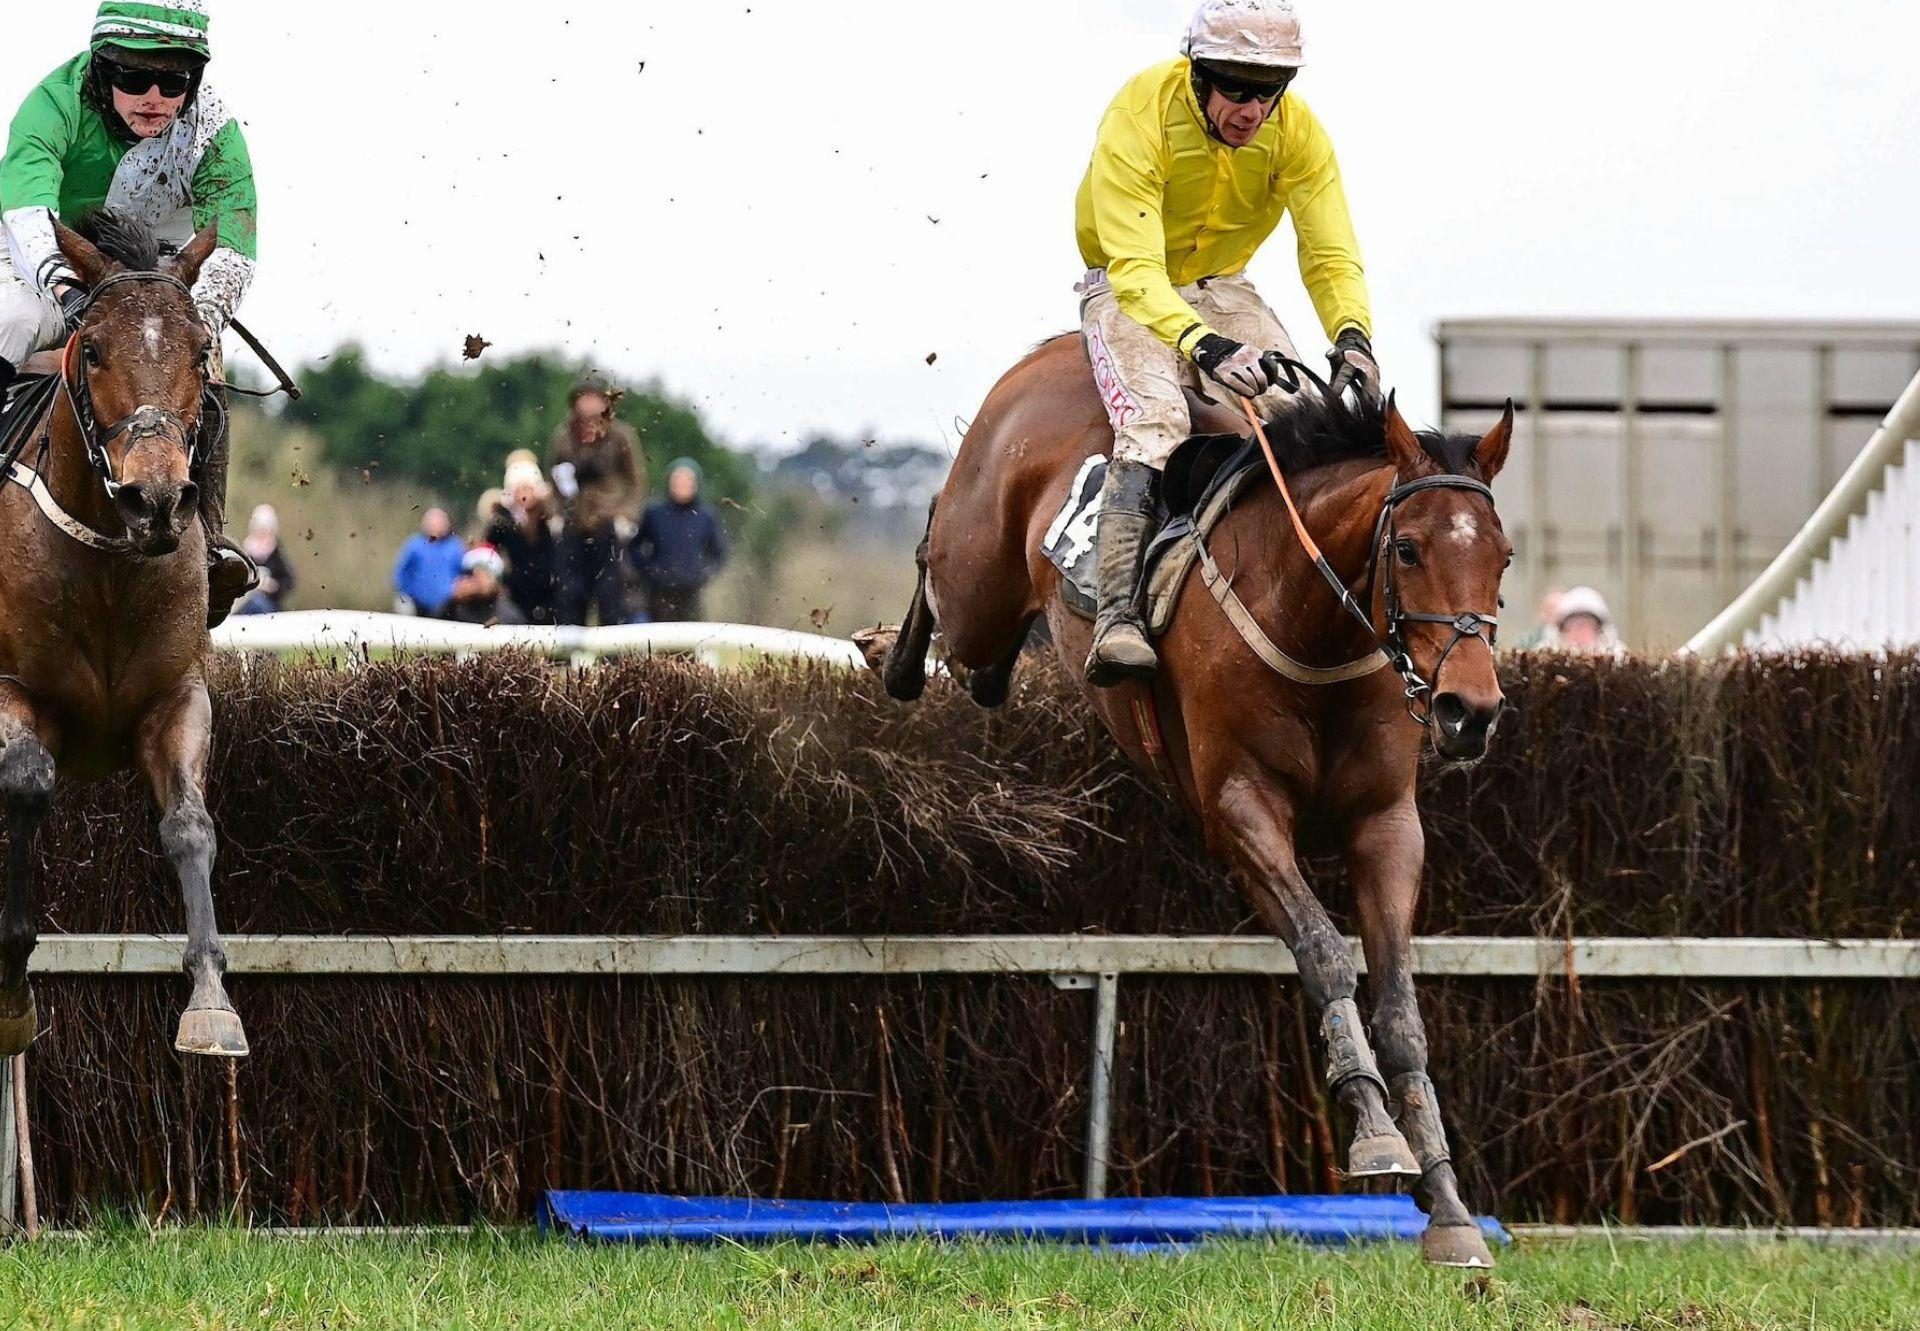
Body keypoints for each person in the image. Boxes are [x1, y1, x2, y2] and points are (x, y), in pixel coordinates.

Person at [1075, 0, 1377, 686]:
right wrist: (1205, 347)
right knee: (1157, 420)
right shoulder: (1139, 111)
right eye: (1235, 88)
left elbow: (1330, 253)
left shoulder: (1298, 133)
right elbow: (1138, 271)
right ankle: (1116, 615)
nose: (1252, 109)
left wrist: (1353, 337)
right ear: (1198, 74)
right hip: (1128, 287)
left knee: (1311, 416)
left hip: (1226, 286)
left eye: (1268, 91)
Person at [0, 1, 261, 626]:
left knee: (207, 360)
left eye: (173, 83)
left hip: (158, 281)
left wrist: (188, 322)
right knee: (10, 323)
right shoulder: (53, 103)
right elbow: (29, 210)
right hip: (49, 263)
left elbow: (235, 244)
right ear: (100, 69)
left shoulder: (214, 128)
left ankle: (213, 537)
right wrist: (67, 293)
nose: (153, 97)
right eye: (133, 78)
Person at [547, 371, 642, 625]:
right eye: (584, 398)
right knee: (569, 593)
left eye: (595, 398)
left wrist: (626, 515)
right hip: (573, 523)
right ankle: (567, 659)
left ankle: (611, 661)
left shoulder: (621, 436)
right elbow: (553, 480)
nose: (589, 404)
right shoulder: (563, 438)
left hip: (607, 523)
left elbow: (636, 480)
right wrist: (554, 514)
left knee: (611, 594)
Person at [630, 457, 727, 622]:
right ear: (669, 482)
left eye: (688, 480)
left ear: (696, 483)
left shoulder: (705, 516)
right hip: (657, 593)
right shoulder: (654, 513)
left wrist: (702, 573)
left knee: (690, 642)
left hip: (691, 593)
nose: (683, 485)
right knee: (657, 642)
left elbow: (719, 553)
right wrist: (650, 570)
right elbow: (634, 547)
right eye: (678, 480)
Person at [483, 450, 560, 624]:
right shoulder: (501, 524)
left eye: (528, 488)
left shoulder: (550, 520)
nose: (524, 495)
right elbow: (488, 552)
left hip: (549, 593)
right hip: (514, 593)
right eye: (520, 489)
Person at [391, 507, 465, 616]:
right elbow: (400, 573)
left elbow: (464, 573)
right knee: (403, 604)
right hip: (417, 601)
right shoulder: (414, 544)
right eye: (433, 522)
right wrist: (406, 592)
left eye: (440, 522)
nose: (437, 526)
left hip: (448, 604)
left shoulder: (456, 547)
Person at [439, 544, 526, 626]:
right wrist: (453, 600)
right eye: (470, 574)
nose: (476, 580)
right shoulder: (455, 608)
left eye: (484, 573)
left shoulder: (509, 614)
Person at [234, 503, 293, 614]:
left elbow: (288, 581)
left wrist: (273, 587)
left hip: (269, 605)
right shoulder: (244, 551)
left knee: (258, 604)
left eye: (264, 528)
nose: (261, 532)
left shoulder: (277, 553)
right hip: (244, 603)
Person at [1545, 585, 1625, 656]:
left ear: (1599, 630)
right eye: (1571, 626)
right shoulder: (1545, 655)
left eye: (1584, 625)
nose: (1578, 633)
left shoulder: (1618, 656)